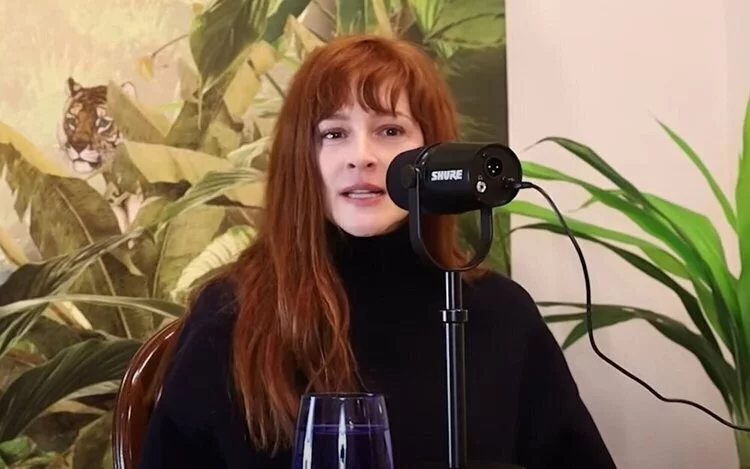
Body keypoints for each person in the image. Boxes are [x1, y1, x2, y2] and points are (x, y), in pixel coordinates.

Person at [136, 34, 616, 469]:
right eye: (334, 133)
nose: (361, 156)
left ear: (433, 153)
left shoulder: (502, 314)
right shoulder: (231, 314)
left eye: (390, 131)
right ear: (301, 158)